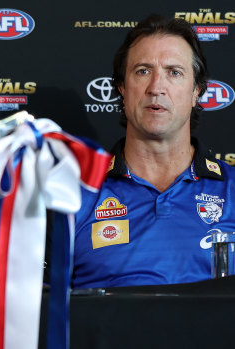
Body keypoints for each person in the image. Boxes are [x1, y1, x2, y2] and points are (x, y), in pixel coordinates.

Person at [73, 14, 235, 288]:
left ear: (197, 90)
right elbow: (35, 310)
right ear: (122, 88)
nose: (156, 87)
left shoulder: (232, 190)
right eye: (143, 71)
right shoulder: (73, 194)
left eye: (174, 72)